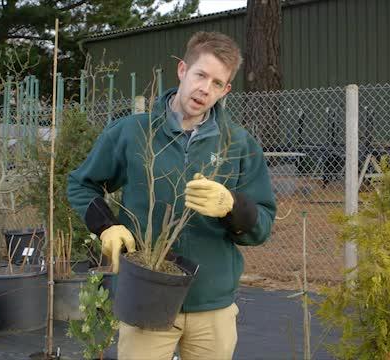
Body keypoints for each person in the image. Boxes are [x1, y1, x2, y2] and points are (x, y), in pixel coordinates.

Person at [67, 31, 276, 360]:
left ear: (226, 90)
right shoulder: (132, 133)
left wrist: (233, 206)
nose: (205, 89)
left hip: (212, 305)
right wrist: (106, 225)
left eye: (217, 83)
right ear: (182, 70)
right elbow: (81, 183)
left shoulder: (238, 144)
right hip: (145, 296)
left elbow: (262, 226)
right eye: (201, 75)